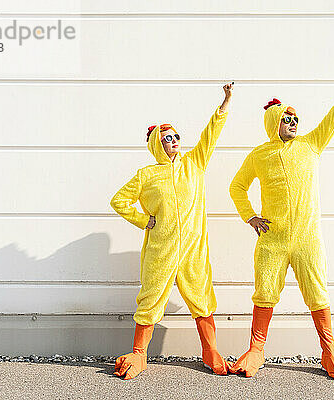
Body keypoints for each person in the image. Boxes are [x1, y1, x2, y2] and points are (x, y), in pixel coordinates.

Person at [228, 69, 334, 380]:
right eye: (286, 118)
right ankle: (256, 350)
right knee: (264, 292)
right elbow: (237, 186)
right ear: (273, 123)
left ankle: (329, 352)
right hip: (273, 240)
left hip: (307, 239)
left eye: (295, 119)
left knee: (317, 293)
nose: (293, 123)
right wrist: (250, 216)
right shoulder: (260, 155)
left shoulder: (311, 144)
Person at [110, 82, 234, 379]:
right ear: (157, 144)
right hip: (161, 249)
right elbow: (119, 200)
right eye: (168, 138)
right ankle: (140, 354)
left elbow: (210, 136)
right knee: (151, 298)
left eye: (177, 136)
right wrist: (144, 220)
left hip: (193, 248)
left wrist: (226, 102)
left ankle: (210, 350)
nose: (175, 140)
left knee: (202, 297)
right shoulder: (146, 175)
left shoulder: (195, 163)